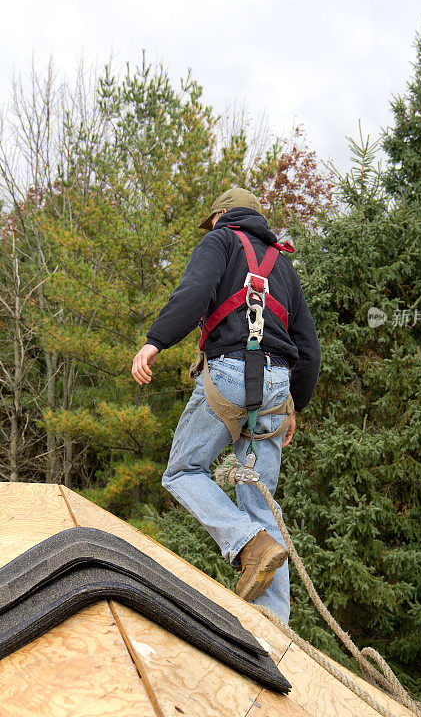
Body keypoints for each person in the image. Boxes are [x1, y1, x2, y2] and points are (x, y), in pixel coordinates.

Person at [132, 187, 321, 623]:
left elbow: (195, 292)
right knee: (260, 498)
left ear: (221, 216)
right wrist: (295, 404)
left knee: (183, 470)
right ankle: (274, 627)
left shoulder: (219, 241)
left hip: (229, 376)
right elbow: (309, 349)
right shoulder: (284, 266)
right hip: (276, 387)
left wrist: (155, 342)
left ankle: (245, 541)